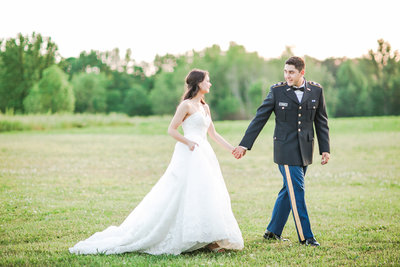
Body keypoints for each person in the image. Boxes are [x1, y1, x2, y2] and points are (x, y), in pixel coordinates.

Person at [69, 69, 244, 255]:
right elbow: (172, 130)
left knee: (207, 191)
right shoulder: (186, 106)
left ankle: (210, 237)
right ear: (198, 83)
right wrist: (188, 142)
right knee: (182, 192)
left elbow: (213, 134)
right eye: (207, 81)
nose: (210, 84)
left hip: (205, 155)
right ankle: (190, 235)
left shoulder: (204, 107)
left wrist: (232, 148)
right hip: (190, 153)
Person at [232, 56, 330, 247]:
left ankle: (272, 231)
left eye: (291, 72)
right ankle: (306, 237)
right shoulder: (277, 91)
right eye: (285, 71)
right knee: (298, 191)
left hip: (305, 150)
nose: (287, 76)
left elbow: (321, 121)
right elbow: (260, 118)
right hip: (285, 150)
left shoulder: (316, 90)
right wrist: (244, 144)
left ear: (302, 72)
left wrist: (324, 149)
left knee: (289, 190)